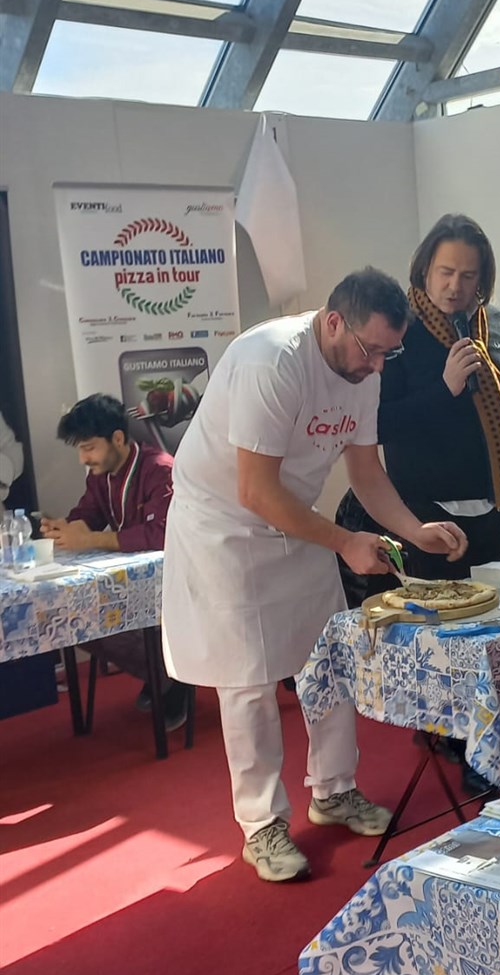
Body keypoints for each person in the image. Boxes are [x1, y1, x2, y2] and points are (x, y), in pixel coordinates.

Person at [161, 269, 467, 886]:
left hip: (294, 515)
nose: (378, 366)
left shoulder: (360, 373)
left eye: (390, 352)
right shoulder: (270, 361)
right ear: (334, 323)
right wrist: (344, 541)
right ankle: (262, 824)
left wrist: (412, 530)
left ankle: (334, 790)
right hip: (224, 523)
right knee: (245, 676)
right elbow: (253, 490)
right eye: (371, 349)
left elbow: (366, 473)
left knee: (326, 655)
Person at [378, 213, 500, 579]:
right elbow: (380, 423)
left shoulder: (496, 321)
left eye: (467, 276)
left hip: (492, 509)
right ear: (425, 269)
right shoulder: (400, 328)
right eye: (445, 272)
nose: (454, 285)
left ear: (482, 281)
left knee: (493, 624)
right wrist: (443, 390)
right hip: (425, 515)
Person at [41, 394, 188, 729]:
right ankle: (163, 674)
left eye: (89, 447)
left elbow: (162, 534)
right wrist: (64, 528)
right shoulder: (100, 475)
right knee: (72, 621)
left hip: (178, 582)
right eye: (79, 449)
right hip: (137, 584)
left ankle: (172, 677)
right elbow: (87, 515)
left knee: (95, 618)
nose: (82, 458)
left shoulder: (159, 469)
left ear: (118, 439)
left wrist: (90, 540)